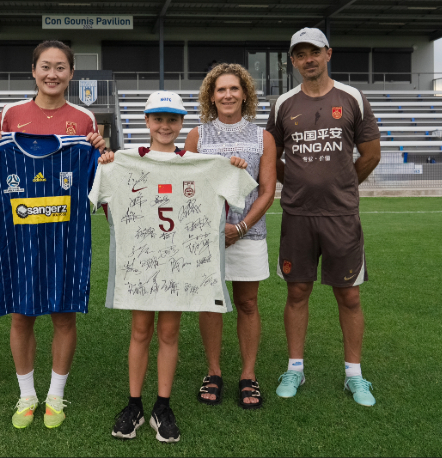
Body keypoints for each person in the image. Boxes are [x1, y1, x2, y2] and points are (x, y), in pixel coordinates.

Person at [91, 91, 257, 443]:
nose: (165, 125)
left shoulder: (202, 163)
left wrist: (235, 168)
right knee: (140, 331)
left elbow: (237, 191)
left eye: (172, 119)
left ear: (182, 123)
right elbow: (104, 203)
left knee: (169, 333)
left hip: (180, 265)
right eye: (158, 118)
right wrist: (106, 164)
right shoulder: (123, 160)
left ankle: (162, 405)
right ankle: (134, 403)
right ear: (147, 122)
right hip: (142, 264)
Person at [0, 40, 105, 429]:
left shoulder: (83, 118)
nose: (52, 74)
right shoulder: (11, 114)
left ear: (71, 73)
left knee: (64, 317)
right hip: (19, 241)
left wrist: (103, 150)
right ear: (33, 71)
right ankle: (26, 394)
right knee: (22, 316)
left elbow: (97, 180)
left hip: (65, 239)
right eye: (45, 67)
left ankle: (56, 396)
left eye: (61, 67)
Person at [265, 27, 381, 406]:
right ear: (293, 61)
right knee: (297, 291)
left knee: (348, 295)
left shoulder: (352, 98)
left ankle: (354, 375)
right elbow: (272, 158)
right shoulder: (283, 103)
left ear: (328, 53)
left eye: (313, 51)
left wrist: (343, 186)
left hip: (340, 216)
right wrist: (297, 184)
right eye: (300, 54)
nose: (307, 59)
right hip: (297, 215)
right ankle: (294, 368)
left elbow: (371, 155)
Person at [184, 63, 276, 409]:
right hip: (207, 235)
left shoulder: (262, 137)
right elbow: (189, 186)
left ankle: (248, 375)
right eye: (220, 89)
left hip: (247, 234)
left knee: (248, 304)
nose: (227, 95)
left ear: (245, 94)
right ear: (211, 95)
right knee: (212, 303)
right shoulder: (198, 136)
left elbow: (267, 191)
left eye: (234, 89)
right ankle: (214, 371)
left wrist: (240, 228)